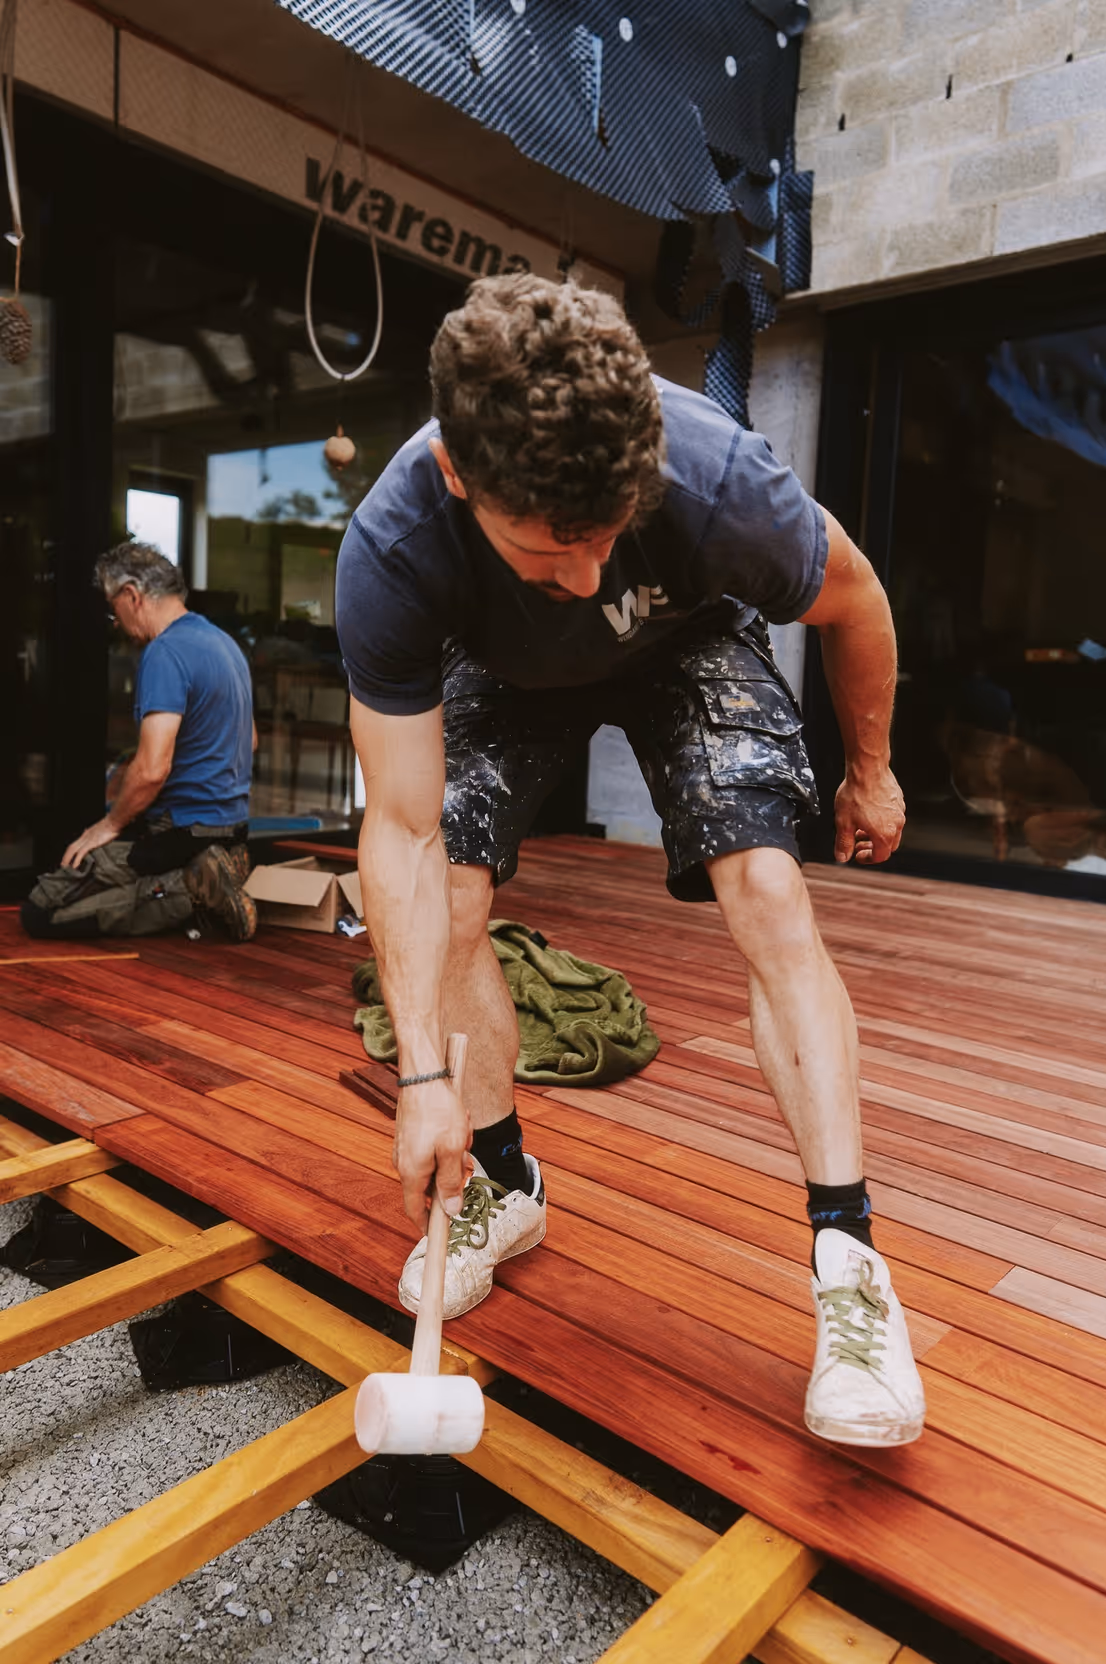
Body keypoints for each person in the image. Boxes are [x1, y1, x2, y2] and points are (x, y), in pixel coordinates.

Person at [336, 274, 926, 1448]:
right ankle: (501, 1189)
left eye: (610, 533)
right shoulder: (395, 547)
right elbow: (396, 831)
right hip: (499, 664)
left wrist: (870, 769)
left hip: (688, 638)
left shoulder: (714, 479)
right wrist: (419, 1079)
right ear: (459, 479)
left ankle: (850, 1261)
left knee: (763, 881)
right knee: (448, 881)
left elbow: (853, 597)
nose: (590, 574)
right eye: (551, 547)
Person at [21, 542, 257, 943]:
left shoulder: (165, 652)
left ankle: (193, 891)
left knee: (42, 910)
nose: (115, 621)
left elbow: (152, 769)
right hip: (229, 827)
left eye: (114, 609)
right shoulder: (223, 643)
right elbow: (247, 740)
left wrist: (108, 825)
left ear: (132, 595)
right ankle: (209, 875)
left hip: (180, 830)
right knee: (108, 880)